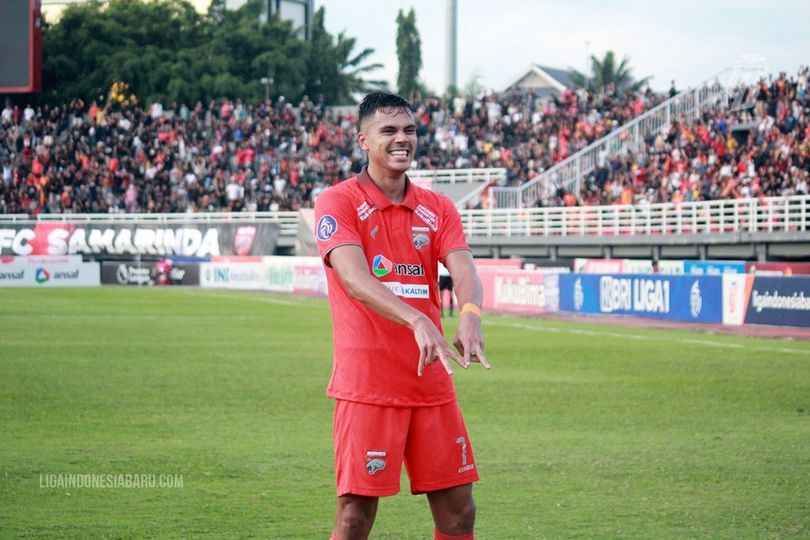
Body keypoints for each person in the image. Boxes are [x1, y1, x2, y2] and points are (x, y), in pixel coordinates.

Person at [314, 91, 490, 540]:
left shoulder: (438, 207)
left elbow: (465, 269)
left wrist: (469, 312)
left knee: (459, 514)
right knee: (355, 518)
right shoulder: (338, 202)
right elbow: (354, 278)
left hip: (431, 382)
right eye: (388, 131)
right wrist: (417, 319)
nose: (402, 139)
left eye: (409, 130)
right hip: (368, 386)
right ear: (363, 140)